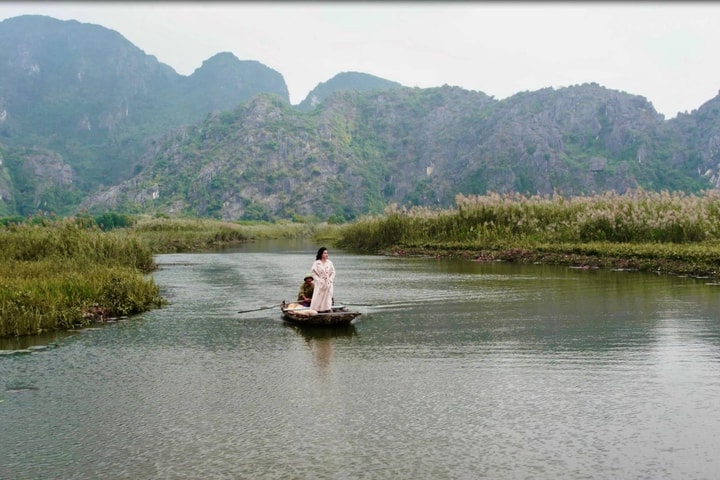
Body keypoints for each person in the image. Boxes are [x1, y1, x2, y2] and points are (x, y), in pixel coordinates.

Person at [309, 246, 335, 313]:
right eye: (325, 253)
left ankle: (327, 309)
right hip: (320, 282)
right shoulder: (316, 263)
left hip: (328, 282)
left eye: (327, 253)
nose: (327, 254)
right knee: (318, 296)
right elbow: (313, 273)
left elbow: (333, 272)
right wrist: (318, 280)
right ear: (321, 254)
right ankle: (316, 309)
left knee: (328, 297)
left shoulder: (330, 262)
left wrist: (331, 279)